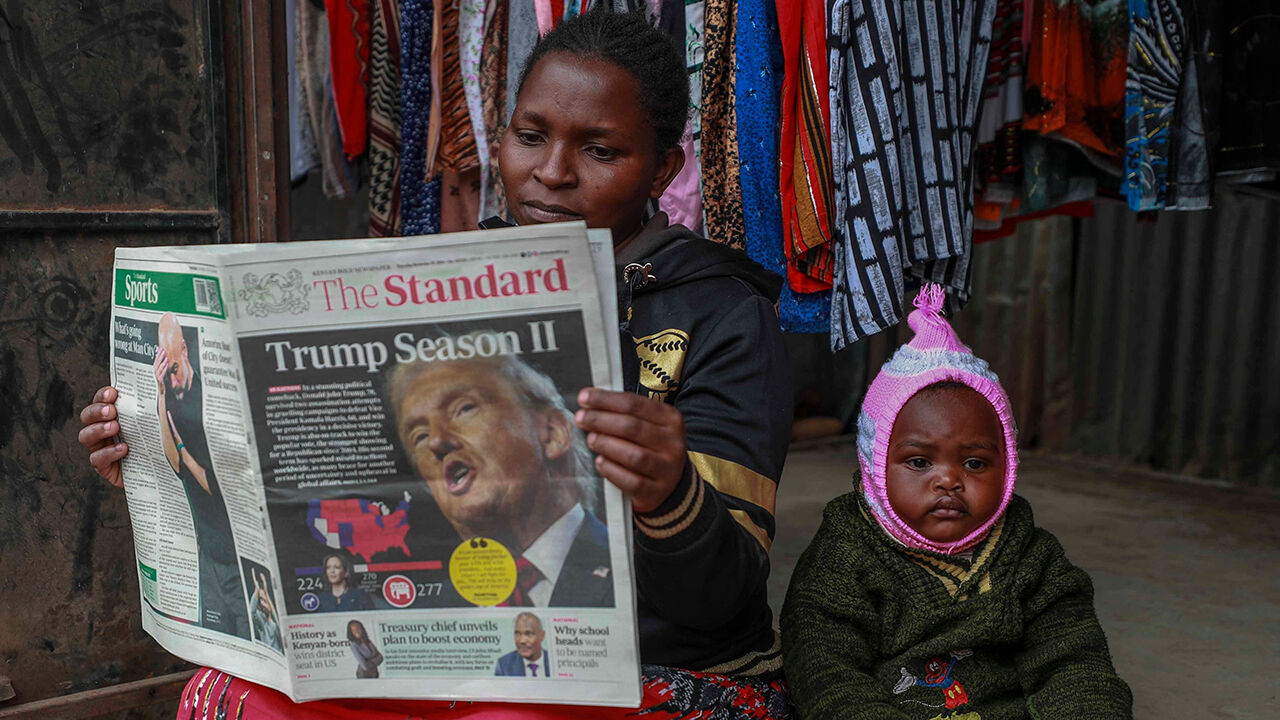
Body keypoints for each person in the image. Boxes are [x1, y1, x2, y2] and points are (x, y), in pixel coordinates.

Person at [85, 9, 793, 718]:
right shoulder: (439, 274)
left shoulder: (721, 312)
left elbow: (722, 598)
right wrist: (159, 445)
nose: (552, 172)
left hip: (656, 672)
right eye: (530, 136)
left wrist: (669, 496)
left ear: (664, 169)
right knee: (227, 700)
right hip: (448, 658)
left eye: (600, 150)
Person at [780, 285, 1133, 720]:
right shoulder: (842, 557)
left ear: (1008, 468)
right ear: (874, 466)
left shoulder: (1033, 557)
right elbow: (827, 675)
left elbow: (1076, 664)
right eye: (919, 461)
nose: (948, 479)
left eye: (974, 462)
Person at [388, 353, 613, 607]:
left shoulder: (629, 564)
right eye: (419, 436)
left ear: (552, 434)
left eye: (464, 409)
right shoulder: (434, 606)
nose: (436, 442)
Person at [155, 312, 248, 639]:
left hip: (237, 556)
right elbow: (172, 463)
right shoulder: (172, 394)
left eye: (175, 370)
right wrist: (161, 393)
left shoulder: (210, 393)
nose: (173, 379)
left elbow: (217, 485)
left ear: (185, 349)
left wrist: (183, 450)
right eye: (168, 373)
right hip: (207, 554)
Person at [494, 613, 552, 677]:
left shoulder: (554, 661)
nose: (522, 641)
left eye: (529, 634)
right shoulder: (504, 665)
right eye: (518, 634)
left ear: (542, 635)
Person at [248, 570, 283, 653]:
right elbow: (252, 611)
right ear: (259, 606)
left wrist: (266, 591)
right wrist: (257, 589)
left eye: (266, 599)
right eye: (262, 600)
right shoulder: (261, 623)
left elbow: (273, 610)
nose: (265, 602)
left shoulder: (275, 622)